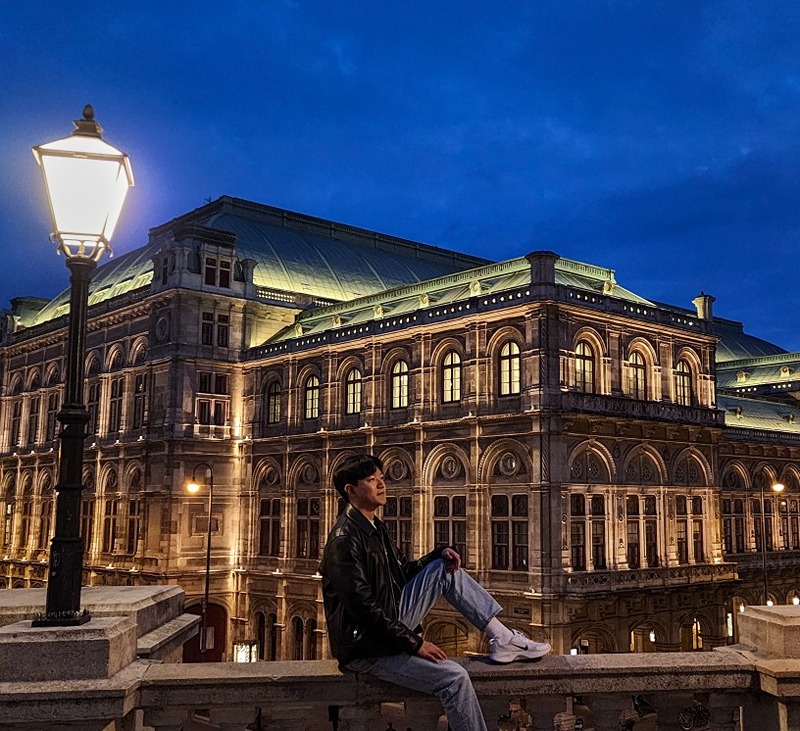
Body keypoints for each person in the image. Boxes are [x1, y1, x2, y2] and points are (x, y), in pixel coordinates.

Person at [319, 454, 551, 731]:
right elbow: (363, 609)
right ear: (351, 490)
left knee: (445, 568)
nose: (382, 485)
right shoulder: (344, 540)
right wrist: (415, 644)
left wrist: (437, 555)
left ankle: (502, 637)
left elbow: (403, 572)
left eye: (382, 478)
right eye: (372, 480)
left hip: (387, 624)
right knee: (455, 678)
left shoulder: (374, 527)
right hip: (367, 648)